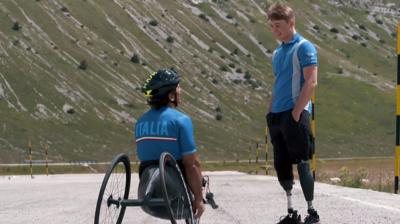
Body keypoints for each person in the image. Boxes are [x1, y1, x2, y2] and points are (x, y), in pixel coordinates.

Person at [265, 2, 320, 224]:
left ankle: (312, 212)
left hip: (294, 114)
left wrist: (297, 112)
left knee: (303, 162)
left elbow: (311, 81)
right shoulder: (278, 52)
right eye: (271, 26)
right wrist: (270, 111)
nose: (275, 30)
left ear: (291, 23)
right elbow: (278, 83)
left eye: (278, 25)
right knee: (281, 165)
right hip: (276, 116)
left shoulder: (304, 47)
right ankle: (291, 212)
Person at [134, 68, 205, 219]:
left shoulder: (139, 122)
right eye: (178, 87)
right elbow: (190, 165)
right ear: (171, 95)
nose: (181, 90)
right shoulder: (181, 120)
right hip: (174, 197)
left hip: (146, 197)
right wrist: (199, 199)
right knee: (193, 163)